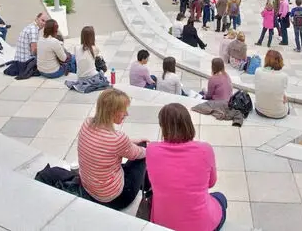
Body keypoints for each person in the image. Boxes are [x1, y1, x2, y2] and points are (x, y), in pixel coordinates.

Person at [146, 103, 227, 231]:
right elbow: (211, 183)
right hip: (202, 226)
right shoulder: (205, 149)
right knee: (220, 197)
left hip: (163, 224)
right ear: (188, 124)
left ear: (163, 127)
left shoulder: (151, 150)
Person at [77, 89, 149, 210]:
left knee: (136, 149)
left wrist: (132, 141)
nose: (126, 114)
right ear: (112, 112)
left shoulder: (87, 123)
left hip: (89, 188)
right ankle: (146, 188)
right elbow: (139, 153)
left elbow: (107, 144)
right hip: (115, 198)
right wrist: (151, 147)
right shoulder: (117, 139)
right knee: (144, 151)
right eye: (123, 110)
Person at [255, 50, 289, 119]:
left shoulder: (258, 71)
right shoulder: (284, 76)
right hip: (278, 114)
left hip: (260, 110)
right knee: (284, 97)